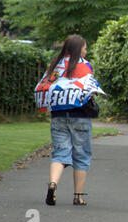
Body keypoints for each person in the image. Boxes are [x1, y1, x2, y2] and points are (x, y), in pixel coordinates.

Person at [34, 35, 104, 206]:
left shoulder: (55, 67)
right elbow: (87, 89)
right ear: (78, 49)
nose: (86, 51)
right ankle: (78, 196)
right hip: (80, 116)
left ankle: (53, 184)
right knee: (81, 155)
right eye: (85, 48)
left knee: (60, 153)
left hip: (58, 116)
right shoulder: (83, 65)